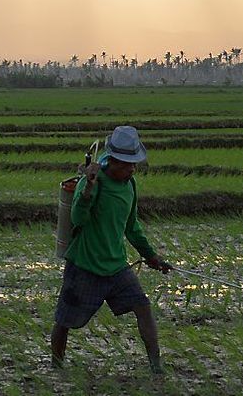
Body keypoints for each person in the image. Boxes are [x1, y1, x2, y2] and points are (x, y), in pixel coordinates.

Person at [51, 125, 173, 374]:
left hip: (116, 267)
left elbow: (132, 227)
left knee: (143, 308)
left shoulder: (130, 185)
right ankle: (56, 366)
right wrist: (87, 190)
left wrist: (151, 257)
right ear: (113, 161)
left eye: (134, 163)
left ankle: (156, 366)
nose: (132, 168)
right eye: (127, 164)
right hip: (85, 266)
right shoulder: (94, 181)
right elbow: (78, 218)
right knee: (65, 321)